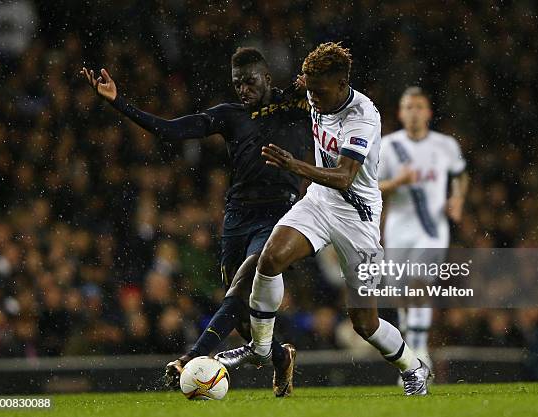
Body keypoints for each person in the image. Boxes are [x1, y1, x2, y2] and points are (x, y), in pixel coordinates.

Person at [80, 46, 312, 397]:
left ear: (267, 78)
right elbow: (171, 130)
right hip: (237, 218)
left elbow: (334, 92)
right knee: (245, 317)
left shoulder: (295, 104)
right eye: (237, 84)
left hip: (278, 215)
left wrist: (311, 86)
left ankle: (191, 357)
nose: (243, 90)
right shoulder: (230, 115)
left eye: (249, 82)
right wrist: (118, 102)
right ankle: (280, 358)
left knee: (239, 292)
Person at [215, 42, 431, 396]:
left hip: (357, 217)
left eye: (319, 90)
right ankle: (260, 348)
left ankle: (413, 367)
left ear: (342, 83)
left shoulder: (363, 116)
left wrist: (294, 165)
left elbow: (345, 176)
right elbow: (306, 85)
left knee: (365, 324)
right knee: (269, 261)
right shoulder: (316, 89)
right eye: (310, 88)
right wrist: (305, 85)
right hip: (319, 201)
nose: (312, 97)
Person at [378, 87, 469, 368]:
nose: (414, 112)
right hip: (398, 227)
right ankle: (411, 344)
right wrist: (396, 183)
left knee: (419, 283)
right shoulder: (387, 146)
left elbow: (461, 176)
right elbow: (370, 187)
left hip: (431, 228)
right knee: (400, 294)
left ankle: (417, 351)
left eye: (419, 107)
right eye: (408, 107)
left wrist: (457, 198)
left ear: (428, 112)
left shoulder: (445, 145)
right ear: (400, 113)